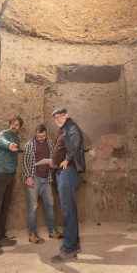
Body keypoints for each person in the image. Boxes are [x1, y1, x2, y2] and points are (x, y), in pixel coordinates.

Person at [50, 107, 85, 263]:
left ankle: (70, 249)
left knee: (67, 209)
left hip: (67, 171)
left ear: (67, 115)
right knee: (69, 208)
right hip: (61, 171)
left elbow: (75, 144)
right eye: (55, 117)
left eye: (60, 115)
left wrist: (67, 159)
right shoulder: (64, 128)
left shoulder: (72, 127)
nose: (58, 118)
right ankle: (73, 243)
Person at [0, 116, 24, 256]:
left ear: (20, 127)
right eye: (13, 124)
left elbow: (14, 149)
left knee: (5, 206)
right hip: (2, 174)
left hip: (11, 175)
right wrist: (9, 145)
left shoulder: (18, 139)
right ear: (9, 124)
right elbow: (2, 141)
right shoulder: (3, 134)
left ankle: (1, 236)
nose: (15, 126)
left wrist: (13, 145)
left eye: (17, 125)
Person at [22, 124, 63, 244]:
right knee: (33, 207)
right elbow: (24, 162)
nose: (41, 138)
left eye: (43, 135)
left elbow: (53, 157)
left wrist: (52, 164)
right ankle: (32, 234)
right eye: (39, 136)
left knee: (50, 204)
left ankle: (52, 231)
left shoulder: (50, 143)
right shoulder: (30, 144)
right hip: (34, 179)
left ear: (46, 134)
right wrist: (28, 177)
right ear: (36, 134)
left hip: (47, 179)